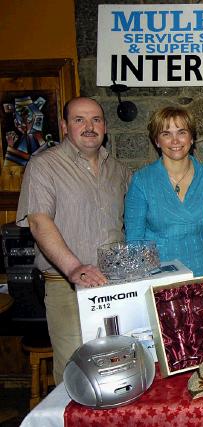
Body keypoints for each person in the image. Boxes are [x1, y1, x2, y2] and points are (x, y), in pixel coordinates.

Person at [16, 97, 130, 383]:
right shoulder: (44, 166)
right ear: (65, 126)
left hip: (115, 287)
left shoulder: (119, 170)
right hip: (67, 286)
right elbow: (39, 221)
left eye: (96, 119)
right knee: (77, 374)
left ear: (105, 126)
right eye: (79, 119)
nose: (89, 126)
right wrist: (74, 268)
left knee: (117, 370)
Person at [125, 107, 203, 277]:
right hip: (160, 279)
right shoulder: (142, 181)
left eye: (182, 132)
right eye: (166, 134)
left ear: (191, 138)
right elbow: (134, 243)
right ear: (157, 141)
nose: (175, 141)